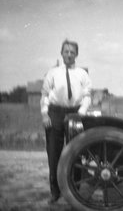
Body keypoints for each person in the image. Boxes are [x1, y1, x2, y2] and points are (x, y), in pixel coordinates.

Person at [40, 39, 92, 204]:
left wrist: (81, 113)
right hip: (55, 113)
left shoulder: (83, 74)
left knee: (75, 153)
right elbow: (45, 95)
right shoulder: (52, 73)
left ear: (76, 54)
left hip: (75, 114)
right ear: (61, 53)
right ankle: (55, 192)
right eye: (66, 51)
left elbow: (87, 96)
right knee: (54, 154)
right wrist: (44, 115)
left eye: (72, 52)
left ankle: (75, 191)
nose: (69, 54)